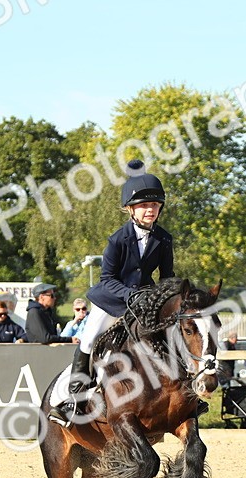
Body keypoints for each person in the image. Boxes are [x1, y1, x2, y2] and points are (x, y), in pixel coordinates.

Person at [50, 159, 174, 423]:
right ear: (130, 209)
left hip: (144, 302)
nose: (150, 210)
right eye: (144, 205)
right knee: (90, 338)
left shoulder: (164, 239)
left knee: (173, 334)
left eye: (154, 205)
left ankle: (185, 392)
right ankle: (74, 397)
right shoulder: (118, 239)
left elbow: (166, 276)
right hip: (112, 300)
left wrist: (168, 298)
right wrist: (129, 295)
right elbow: (107, 278)